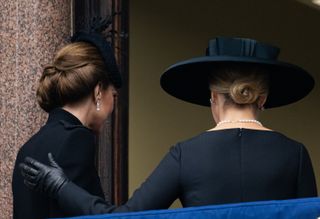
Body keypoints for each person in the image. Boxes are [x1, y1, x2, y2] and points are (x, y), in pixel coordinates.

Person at [20, 37, 317, 216]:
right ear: (262, 99)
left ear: (213, 97)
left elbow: (125, 218)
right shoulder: (296, 155)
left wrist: (60, 186)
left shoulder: (186, 155)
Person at [12, 23, 122, 219]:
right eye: (113, 95)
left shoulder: (28, 147)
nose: (113, 107)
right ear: (98, 92)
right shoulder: (77, 138)